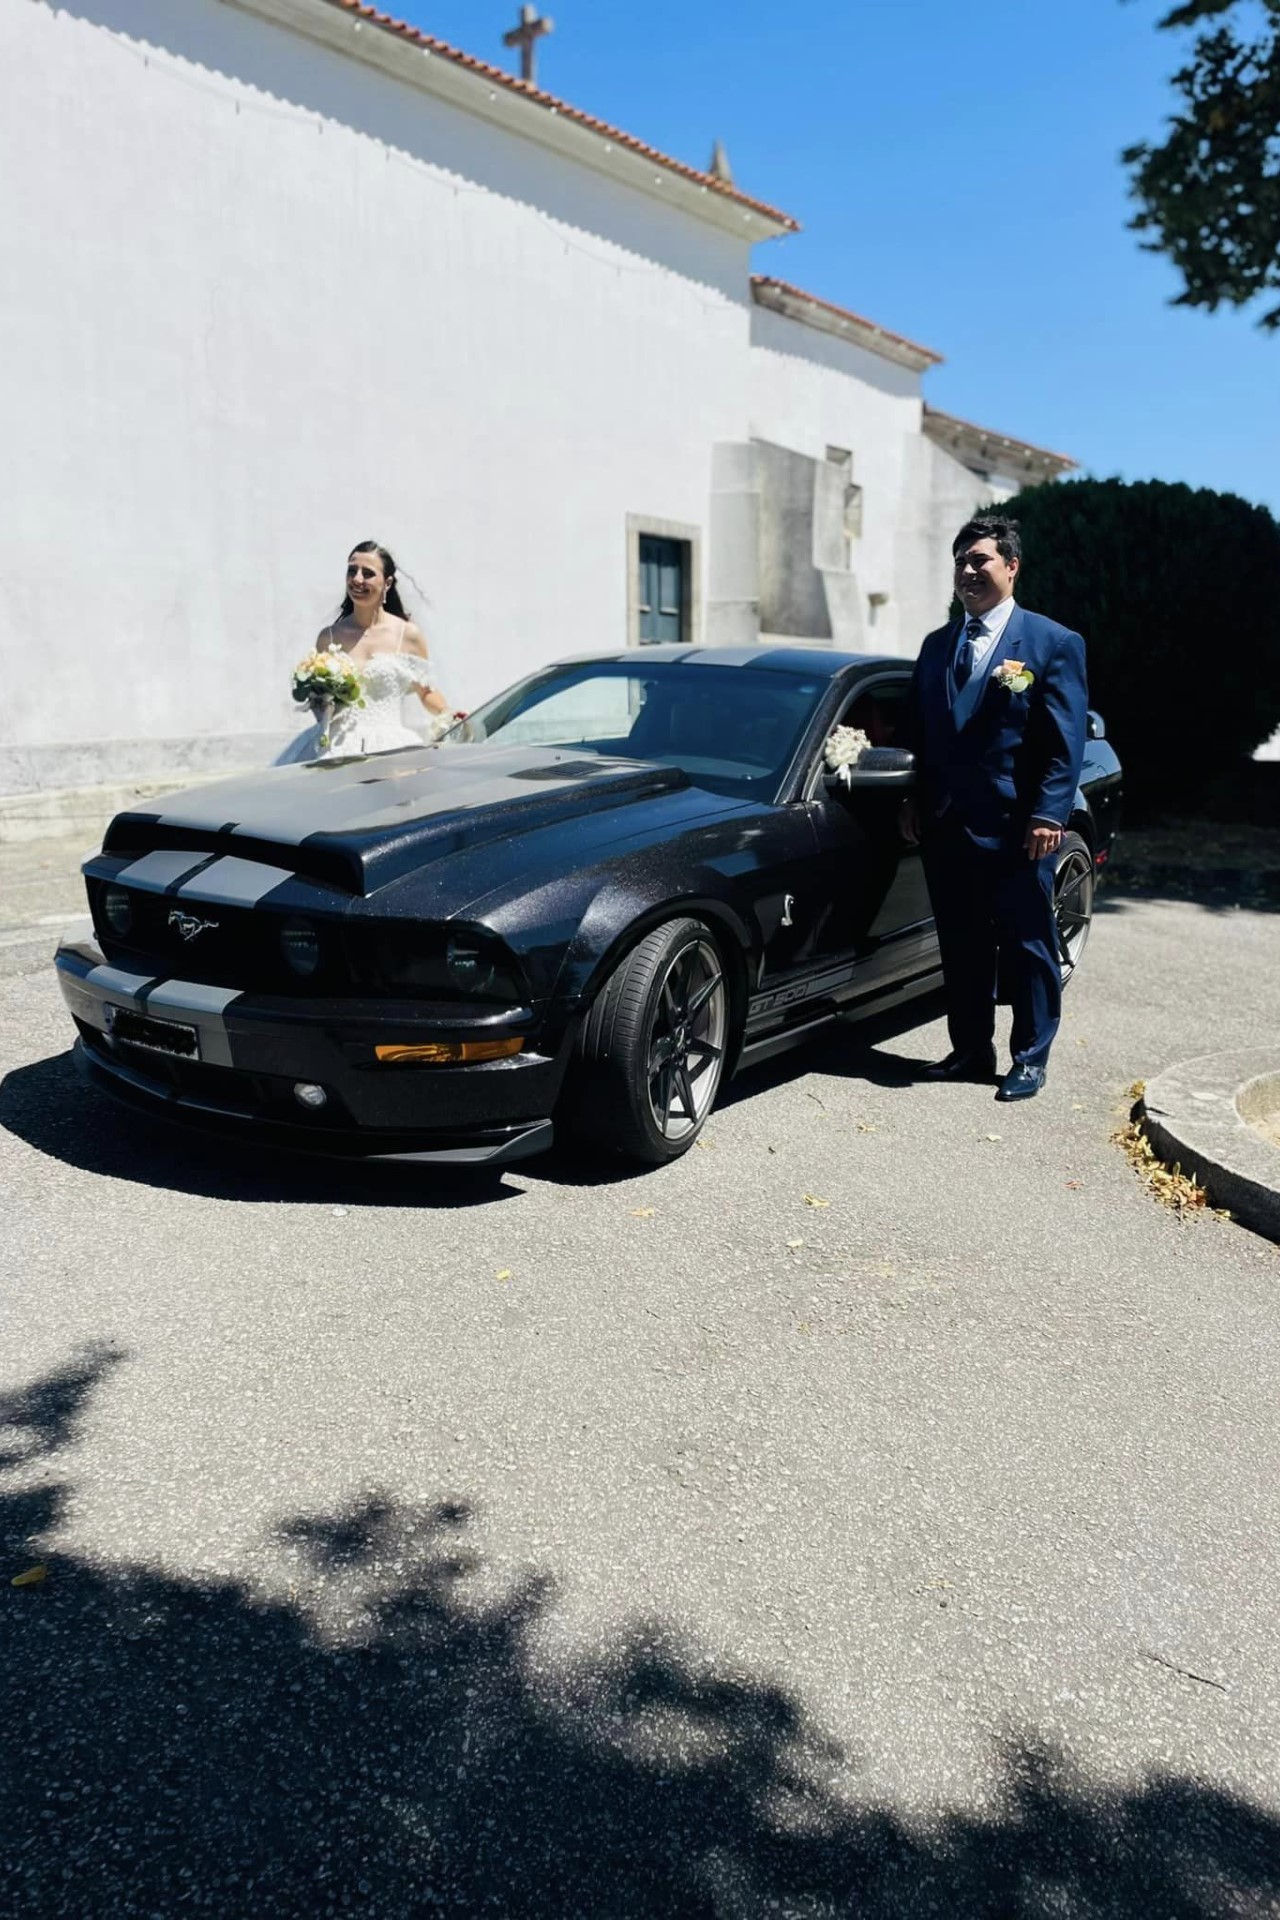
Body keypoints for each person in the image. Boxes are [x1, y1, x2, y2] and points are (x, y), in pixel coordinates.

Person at [901, 515, 1087, 1102]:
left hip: (1017, 828)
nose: (967, 570)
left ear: (1012, 566)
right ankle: (969, 1051)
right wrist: (913, 800)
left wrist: (1050, 814)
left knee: (1028, 945)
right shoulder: (936, 645)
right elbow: (919, 734)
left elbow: (1063, 743)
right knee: (961, 945)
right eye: (960, 561)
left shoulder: (1052, 643)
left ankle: (1030, 1058)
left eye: (979, 559)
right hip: (945, 825)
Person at [279, 540, 458, 762]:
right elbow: (320, 700)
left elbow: (426, 691)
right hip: (336, 746)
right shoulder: (329, 637)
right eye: (352, 571)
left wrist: (447, 713)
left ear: (387, 583)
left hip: (389, 744)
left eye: (368, 573)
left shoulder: (408, 634)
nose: (357, 579)